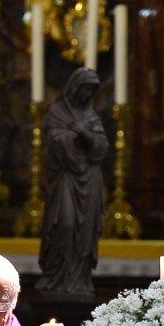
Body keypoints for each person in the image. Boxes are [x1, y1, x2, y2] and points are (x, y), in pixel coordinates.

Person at [37, 66, 108, 300]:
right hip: (67, 176)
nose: (88, 94)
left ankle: (79, 279)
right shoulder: (58, 111)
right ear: (75, 86)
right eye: (85, 88)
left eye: (92, 90)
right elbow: (53, 140)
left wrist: (84, 133)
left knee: (86, 231)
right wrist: (70, 136)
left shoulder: (91, 116)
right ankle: (57, 276)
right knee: (65, 224)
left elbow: (102, 146)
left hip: (90, 179)